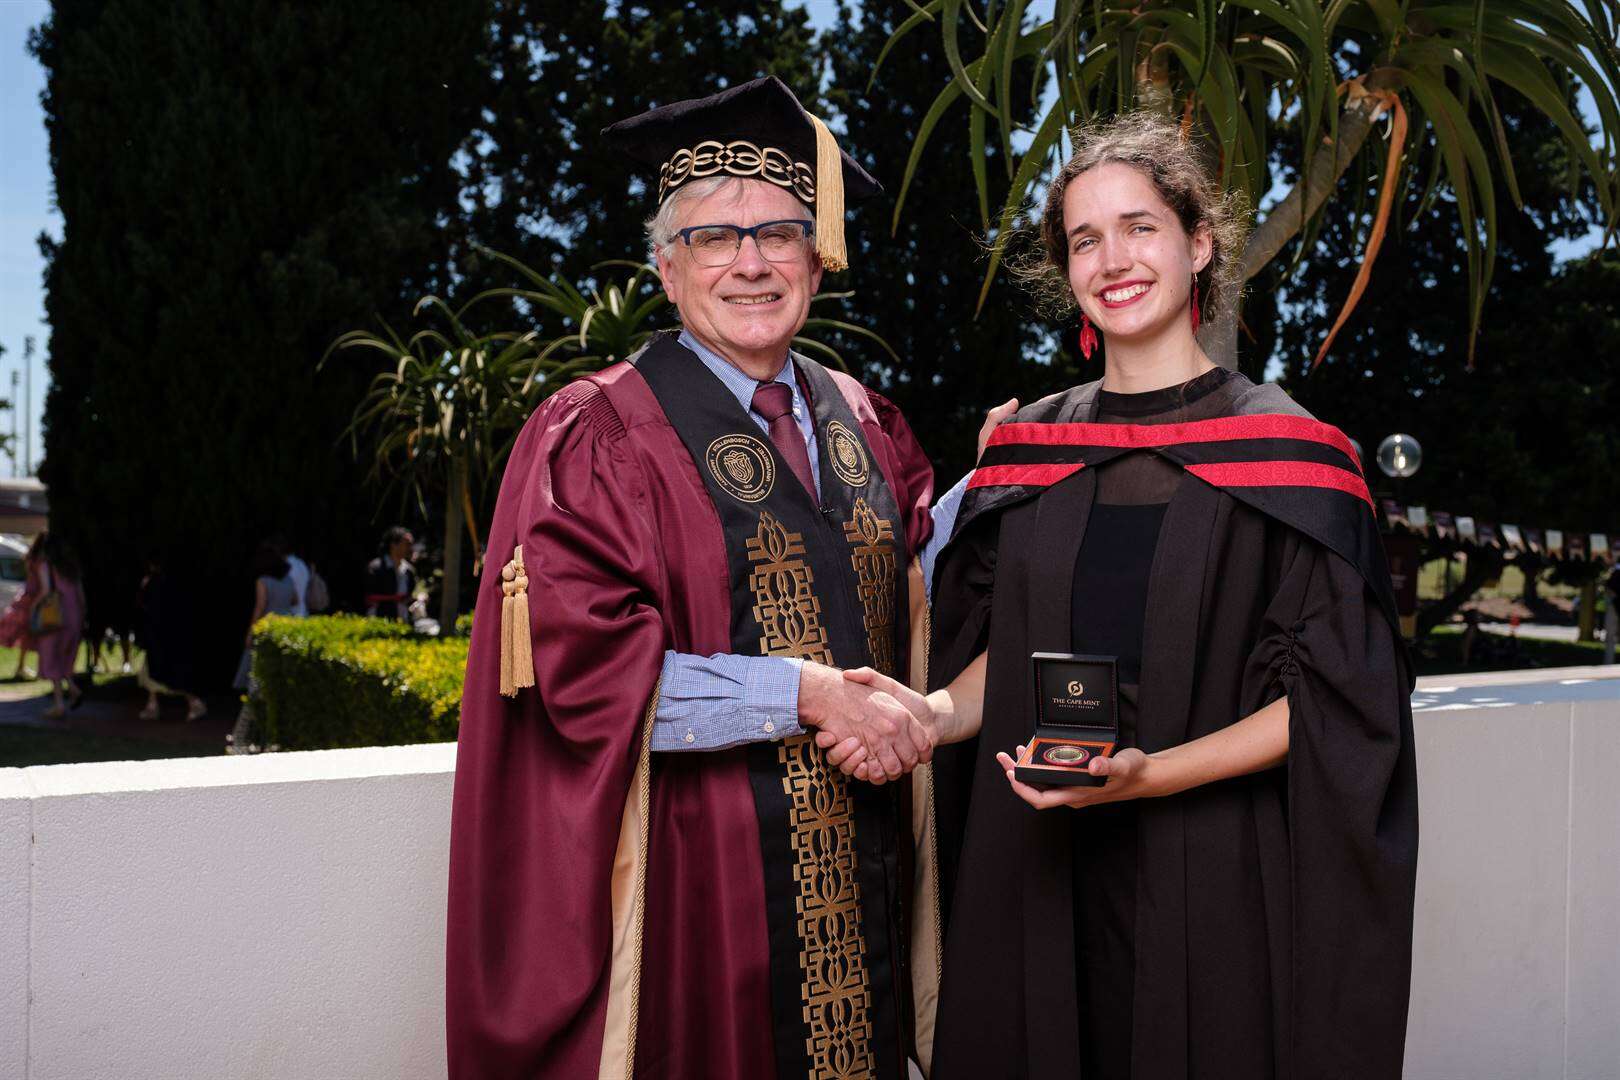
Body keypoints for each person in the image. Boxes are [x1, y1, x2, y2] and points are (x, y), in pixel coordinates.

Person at [829, 112, 1419, 1078]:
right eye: (1085, 239)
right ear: (1065, 271)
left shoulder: (1294, 455)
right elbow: (1007, 655)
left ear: (1199, 242)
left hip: (1214, 879)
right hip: (1039, 869)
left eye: (1141, 226)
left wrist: (1150, 776)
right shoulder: (1031, 453)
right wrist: (928, 717)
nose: (1115, 258)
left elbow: (1336, 703)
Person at [447, 76, 961, 1078]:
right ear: (666, 269)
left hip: (871, 884)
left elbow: (936, 593)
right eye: (715, 239)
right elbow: (579, 674)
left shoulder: (868, 421)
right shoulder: (598, 431)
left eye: (779, 233)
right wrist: (806, 697)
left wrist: (1022, 474)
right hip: (703, 910)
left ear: (818, 259)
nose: (752, 263)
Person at [31, 533, 87, 719]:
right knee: (64, 657)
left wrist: (34, 607)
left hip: (53, 616)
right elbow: (81, 597)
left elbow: (46, 591)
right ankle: (72, 689)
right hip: (74, 616)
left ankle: (59, 703)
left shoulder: (45, 566)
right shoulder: (72, 569)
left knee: (51, 657)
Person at [233, 541, 301, 690]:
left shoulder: (263, 581)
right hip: (287, 622)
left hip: (269, 624)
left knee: (259, 668)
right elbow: (295, 600)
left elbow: (260, 607)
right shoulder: (288, 579)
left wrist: (251, 632)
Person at [0, 552, 38, 680]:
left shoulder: (30, 559)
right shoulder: (41, 562)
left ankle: (22, 667)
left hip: (27, 597)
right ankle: (24, 668)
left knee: (26, 634)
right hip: (33, 600)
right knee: (29, 634)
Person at [364, 526, 415, 620]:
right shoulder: (376, 567)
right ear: (393, 545)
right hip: (378, 620)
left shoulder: (409, 570)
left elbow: (409, 595)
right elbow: (368, 597)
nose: (410, 548)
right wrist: (395, 598)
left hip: (403, 620)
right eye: (407, 544)